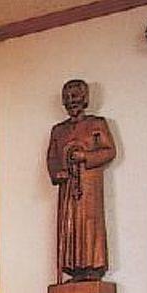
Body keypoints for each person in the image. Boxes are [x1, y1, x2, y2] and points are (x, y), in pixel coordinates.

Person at [47, 78, 118, 281]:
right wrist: (57, 173)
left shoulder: (96, 124)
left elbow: (109, 151)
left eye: (75, 96)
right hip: (68, 188)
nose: (71, 101)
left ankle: (92, 266)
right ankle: (74, 268)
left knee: (89, 224)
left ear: (85, 98)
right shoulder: (58, 130)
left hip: (89, 187)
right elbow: (52, 158)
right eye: (67, 97)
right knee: (70, 226)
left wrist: (85, 156)